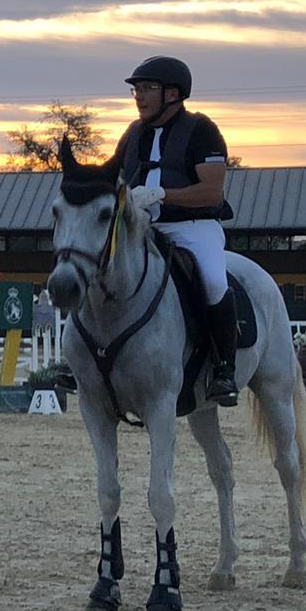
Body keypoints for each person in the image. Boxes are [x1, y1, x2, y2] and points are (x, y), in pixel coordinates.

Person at [93, 56, 239, 407]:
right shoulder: (133, 133)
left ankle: (224, 369)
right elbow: (114, 177)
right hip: (141, 228)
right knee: (96, 268)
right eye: (136, 91)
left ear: (172, 94)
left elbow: (212, 192)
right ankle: (82, 360)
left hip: (193, 227)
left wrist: (162, 194)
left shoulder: (202, 130)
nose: (139, 97)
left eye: (147, 89)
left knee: (215, 281)